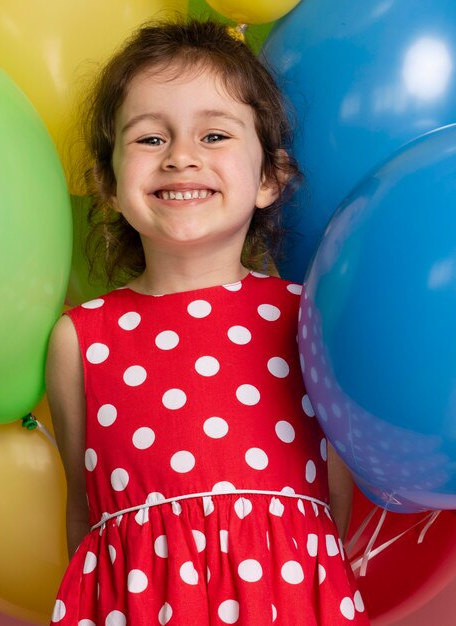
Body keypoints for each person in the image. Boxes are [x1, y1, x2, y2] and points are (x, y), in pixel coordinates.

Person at [46, 18, 369, 626]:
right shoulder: (81, 339)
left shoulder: (307, 317)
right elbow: (86, 523)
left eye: (214, 134)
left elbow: (331, 505)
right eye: (149, 140)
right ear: (107, 183)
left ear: (271, 177)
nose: (182, 158)